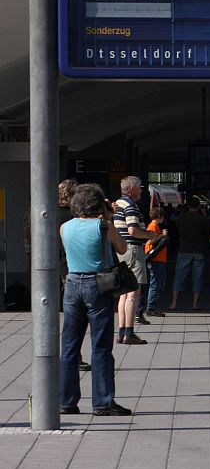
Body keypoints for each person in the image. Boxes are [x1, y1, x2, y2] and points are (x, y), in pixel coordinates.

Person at [59, 183, 131, 416]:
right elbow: (122, 248)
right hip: (98, 285)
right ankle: (102, 402)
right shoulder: (104, 226)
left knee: (70, 346)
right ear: (99, 204)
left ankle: (66, 401)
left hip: (71, 285)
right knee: (100, 346)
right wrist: (108, 216)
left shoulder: (64, 227)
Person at [113, 175, 164, 345]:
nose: (142, 190)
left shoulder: (118, 203)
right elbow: (133, 230)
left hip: (121, 249)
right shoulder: (131, 206)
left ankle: (121, 332)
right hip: (133, 249)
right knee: (134, 293)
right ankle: (129, 332)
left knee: (123, 293)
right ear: (132, 188)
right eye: (140, 186)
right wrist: (149, 235)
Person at [57, 179, 90, 372]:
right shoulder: (73, 216)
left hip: (54, 264)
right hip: (71, 266)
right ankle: (74, 357)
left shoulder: (49, 212)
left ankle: (69, 356)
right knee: (75, 317)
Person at [170, 198, 210, 311]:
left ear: (187, 206)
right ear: (198, 207)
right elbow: (208, 232)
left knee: (179, 276)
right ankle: (195, 304)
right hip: (199, 251)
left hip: (184, 249)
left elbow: (177, 229)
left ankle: (174, 303)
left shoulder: (181, 218)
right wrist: (204, 214)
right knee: (198, 277)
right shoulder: (202, 219)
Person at [141, 207, 169, 322]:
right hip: (156, 259)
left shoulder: (154, 226)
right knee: (155, 284)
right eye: (162, 216)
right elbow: (150, 241)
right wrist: (162, 235)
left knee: (158, 284)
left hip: (158, 259)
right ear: (159, 216)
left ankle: (152, 307)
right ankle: (150, 308)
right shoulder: (153, 227)